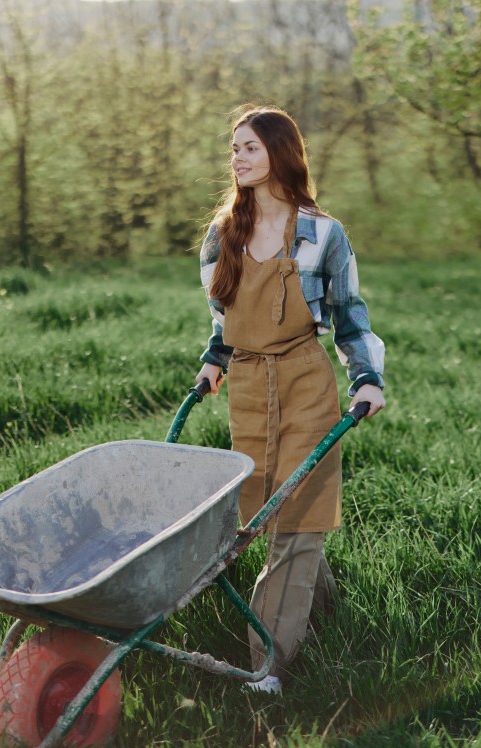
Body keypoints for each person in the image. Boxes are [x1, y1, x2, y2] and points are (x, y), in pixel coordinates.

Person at [192, 104, 386, 695]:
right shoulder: (223, 233)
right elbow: (222, 315)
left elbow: (350, 314)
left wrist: (367, 378)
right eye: (234, 149)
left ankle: (268, 666)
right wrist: (214, 359)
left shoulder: (324, 233)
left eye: (249, 147)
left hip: (305, 379)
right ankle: (324, 610)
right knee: (276, 511)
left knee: (297, 520)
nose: (237, 158)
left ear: (280, 152)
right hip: (248, 386)